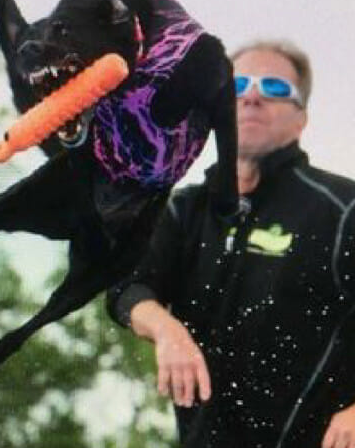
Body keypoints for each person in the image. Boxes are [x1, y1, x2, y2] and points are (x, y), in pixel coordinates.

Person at [108, 40, 355, 448]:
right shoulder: (185, 209)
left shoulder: (342, 210)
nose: (252, 96)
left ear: (301, 119)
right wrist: (167, 331)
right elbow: (125, 287)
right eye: (237, 85)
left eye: (275, 89)